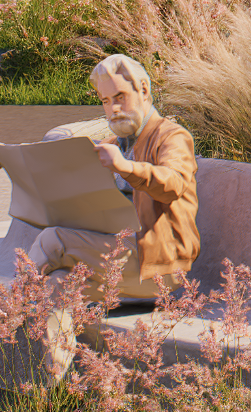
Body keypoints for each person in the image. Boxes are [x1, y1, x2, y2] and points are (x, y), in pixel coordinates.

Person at [20, 53, 200, 310]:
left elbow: (173, 184)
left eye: (120, 97)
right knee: (56, 286)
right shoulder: (114, 144)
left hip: (158, 265)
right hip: (117, 255)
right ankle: (52, 349)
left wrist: (125, 167)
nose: (113, 109)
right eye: (105, 101)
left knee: (54, 239)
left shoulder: (172, 136)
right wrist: (13, 160)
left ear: (144, 89)